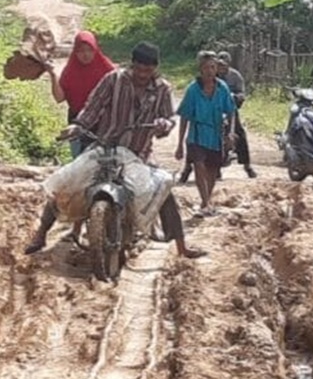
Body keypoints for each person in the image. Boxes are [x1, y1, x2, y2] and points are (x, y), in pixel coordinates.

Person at [25, 42, 205, 259]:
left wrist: (163, 125)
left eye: (147, 71)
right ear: (132, 65)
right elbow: (93, 106)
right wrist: (78, 126)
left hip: (139, 154)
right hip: (105, 148)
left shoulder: (162, 89)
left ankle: (182, 246)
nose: (141, 74)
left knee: (165, 192)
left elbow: (168, 120)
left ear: (155, 69)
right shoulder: (114, 79)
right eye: (138, 69)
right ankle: (41, 234)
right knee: (67, 184)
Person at [175, 51, 237, 217]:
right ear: (200, 69)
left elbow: (231, 111)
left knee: (212, 169)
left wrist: (230, 133)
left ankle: (205, 201)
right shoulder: (193, 90)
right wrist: (180, 144)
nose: (210, 71)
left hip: (215, 135)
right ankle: (206, 201)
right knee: (199, 165)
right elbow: (185, 117)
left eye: (213, 67)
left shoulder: (222, 88)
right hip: (196, 134)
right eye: (206, 67)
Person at [179, 51, 256, 182]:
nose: (218, 69)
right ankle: (188, 167)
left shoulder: (234, 77)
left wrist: (235, 98)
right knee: (194, 139)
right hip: (206, 116)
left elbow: (241, 96)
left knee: (240, 133)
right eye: (218, 65)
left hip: (228, 109)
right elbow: (186, 113)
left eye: (222, 65)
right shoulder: (198, 84)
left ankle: (247, 165)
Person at [45, 31, 117, 158]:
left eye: (90, 50)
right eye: (81, 50)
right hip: (77, 121)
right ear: (75, 52)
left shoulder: (107, 70)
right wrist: (52, 75)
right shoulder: (70, 71)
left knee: (103, 161)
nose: (85, 54)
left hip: (103, 122)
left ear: (96, 50)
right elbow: (59, 98)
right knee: (79, 160)